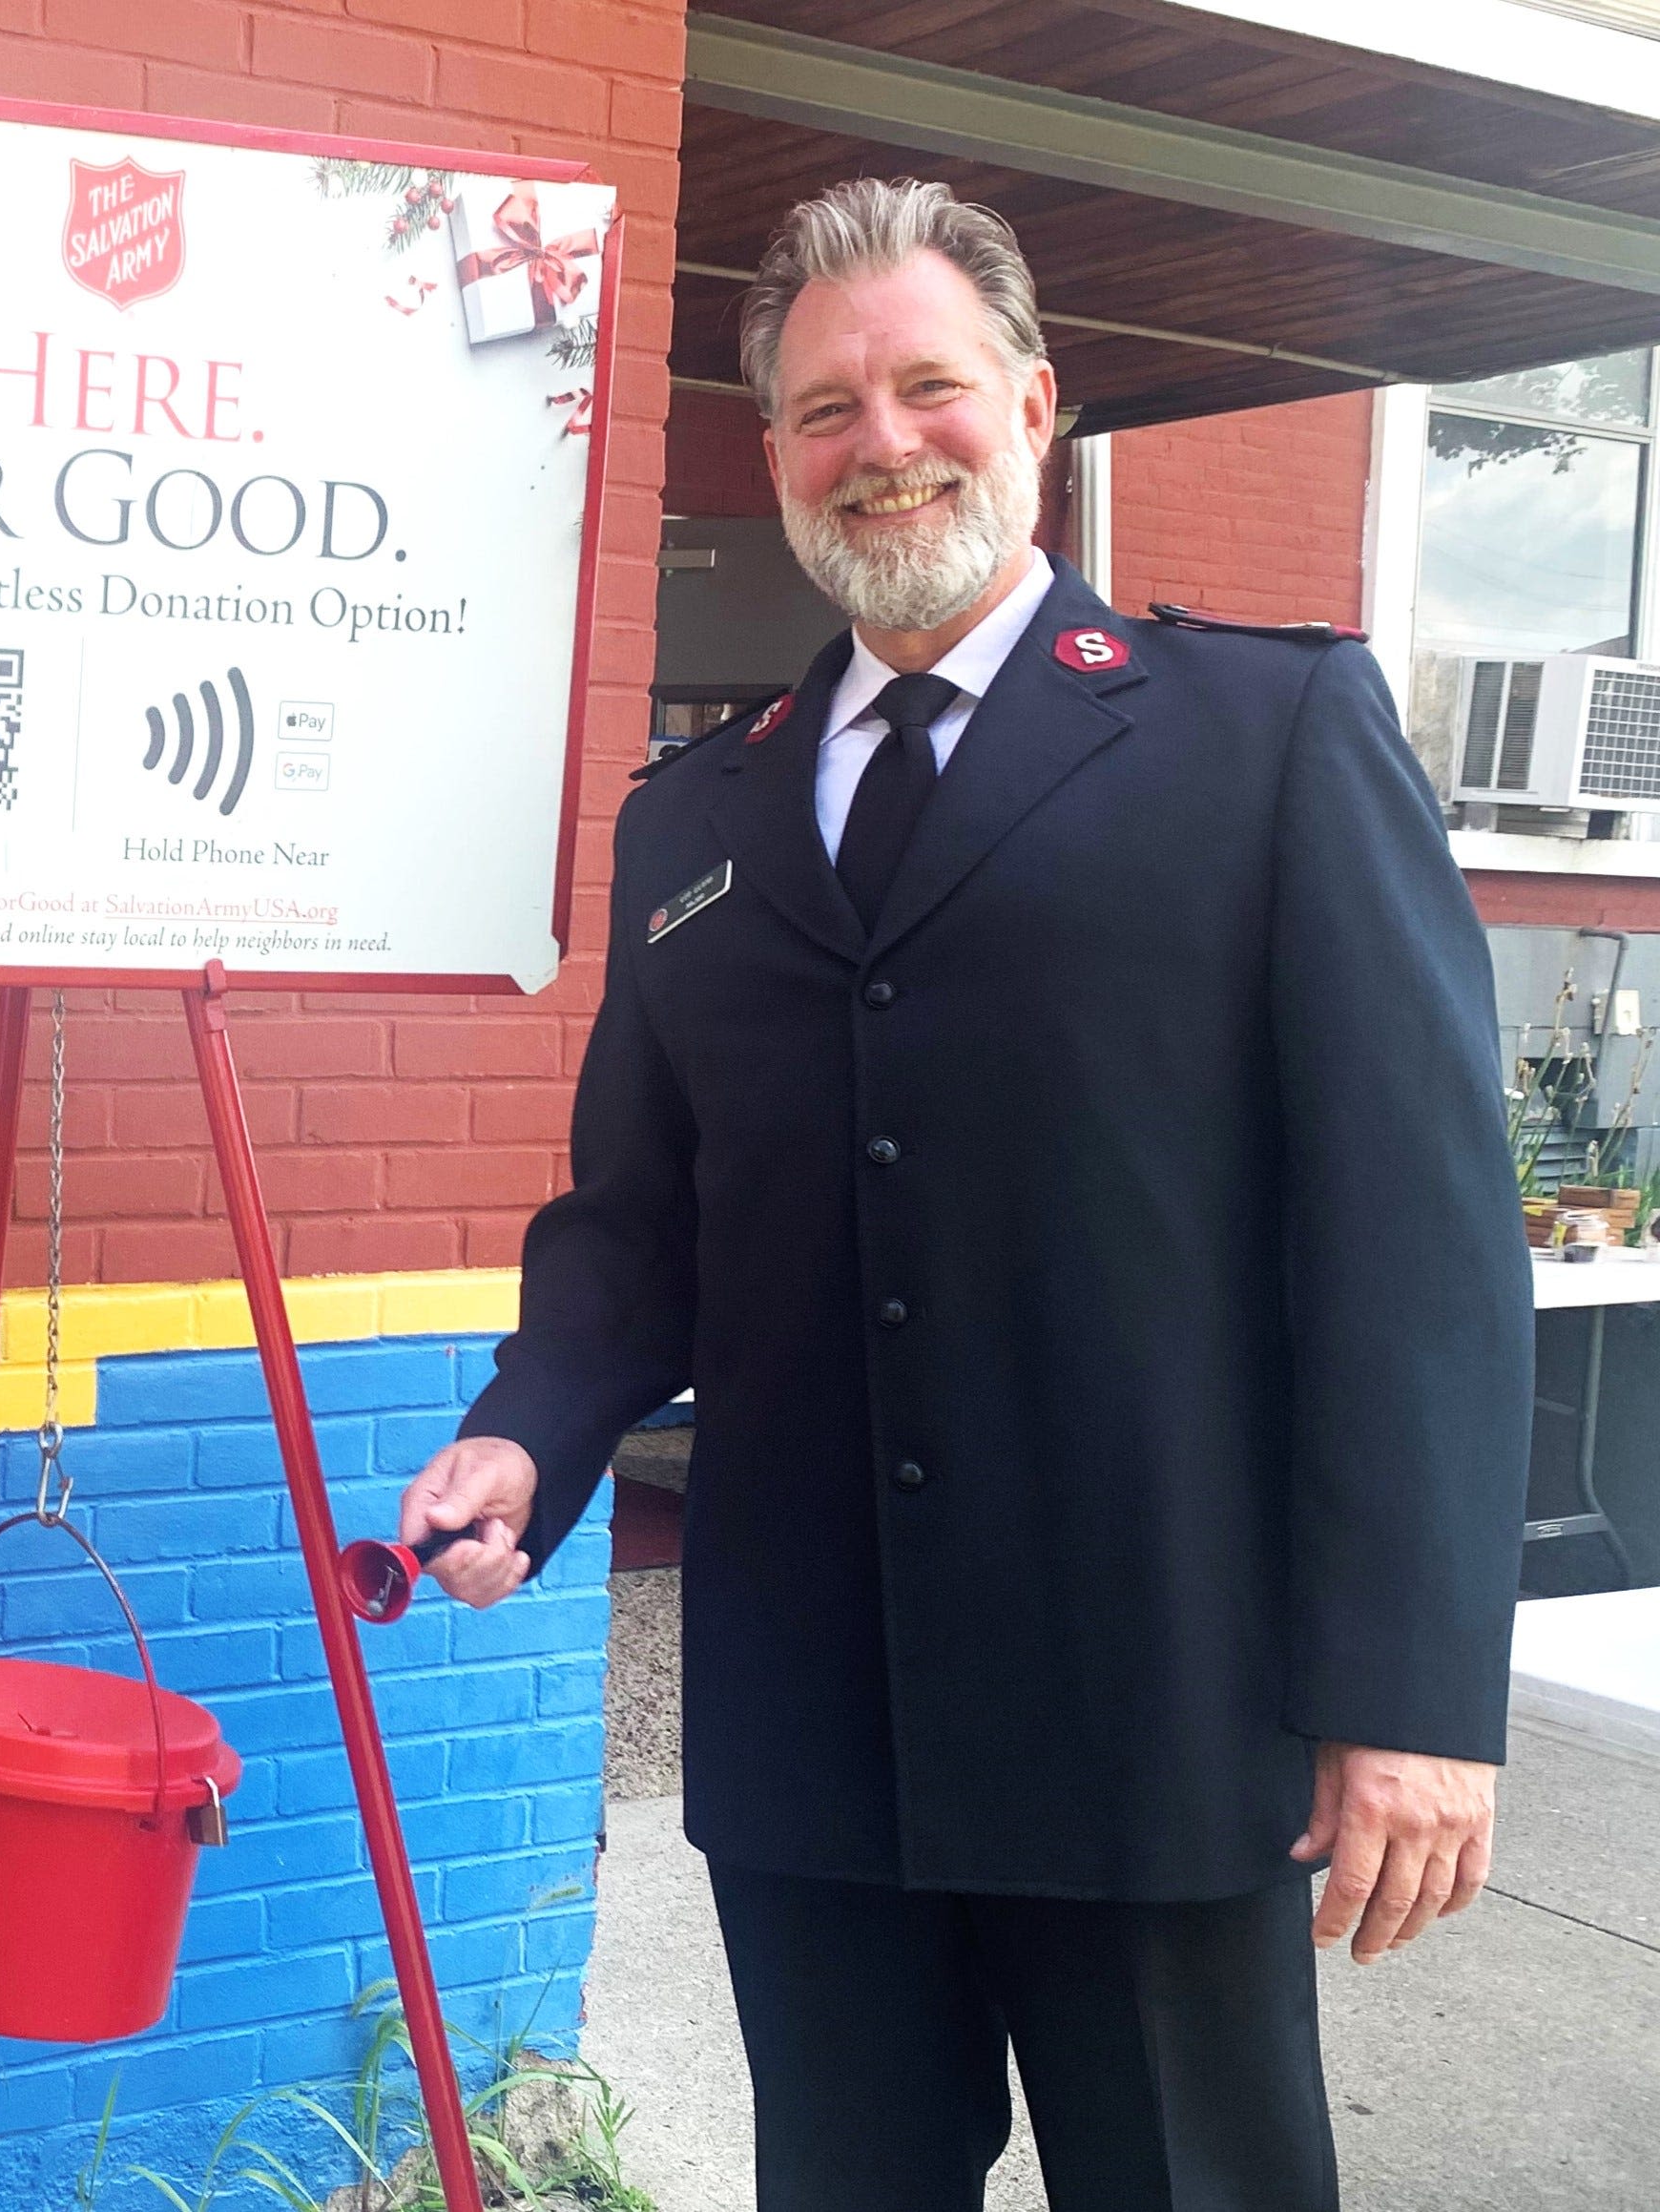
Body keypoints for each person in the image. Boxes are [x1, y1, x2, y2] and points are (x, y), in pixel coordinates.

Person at [400, 181, 1529, 2209]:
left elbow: (1417, 1252)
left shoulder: (1260, 735)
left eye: (926, 385)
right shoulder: (695, 810)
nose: (881, 440)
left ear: (1027, 402)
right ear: (769, 458)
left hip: (1154, 1710)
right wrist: (526, 1428)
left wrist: (1407, 1694)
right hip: (812, 1720)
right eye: (823, 407)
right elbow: (637, 1213)